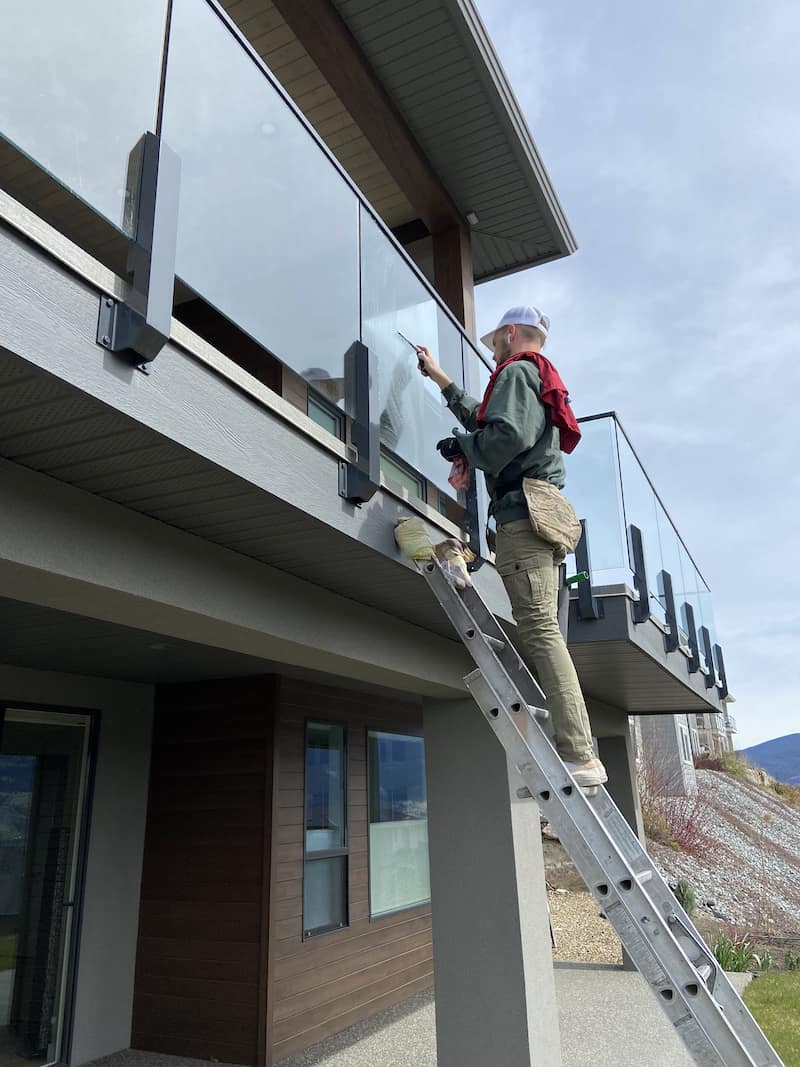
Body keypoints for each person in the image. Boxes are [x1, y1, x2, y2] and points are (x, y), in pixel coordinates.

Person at [415, 306, 607, 789]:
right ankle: (580, 751)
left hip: (523, 515)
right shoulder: (532, 378)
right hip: (539, 514)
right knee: (543, 628)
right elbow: (490, 420)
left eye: (495, 339)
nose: (492, 346)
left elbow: (503, 436)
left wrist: (461, 445)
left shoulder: (517, 372)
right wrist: (441, 379)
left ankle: (579, 755)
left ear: (510, 333)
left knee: (541, 630)